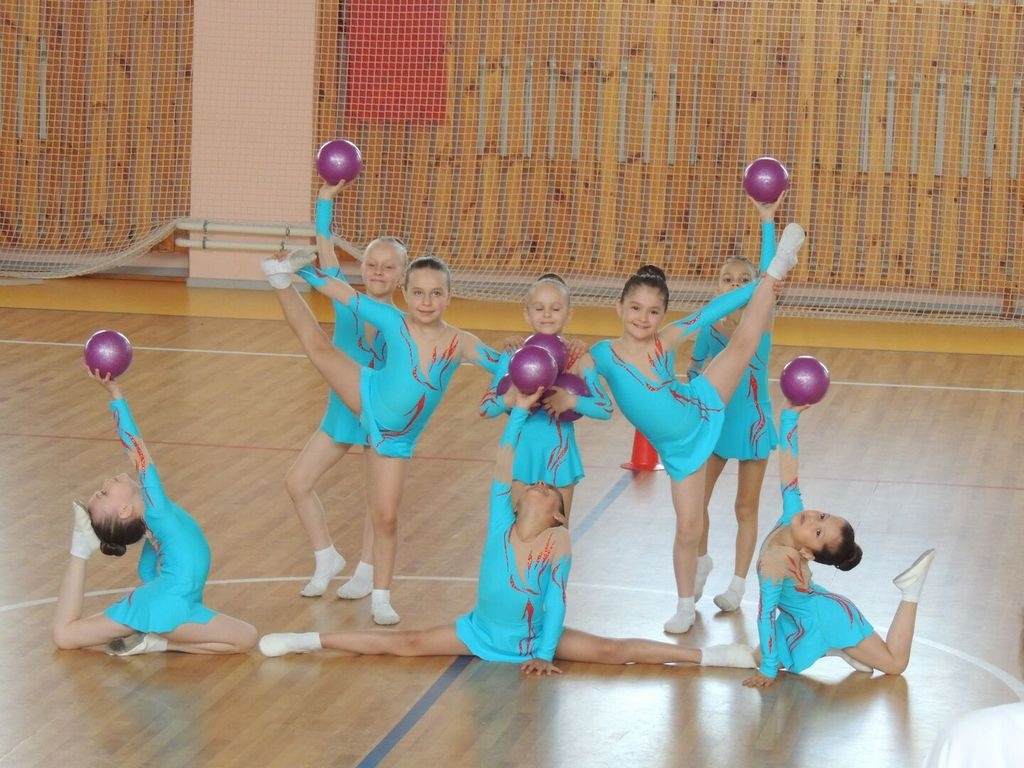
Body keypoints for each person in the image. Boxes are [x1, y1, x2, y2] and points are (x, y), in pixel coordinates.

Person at [259, 385, 757, 674]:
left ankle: (712, 658)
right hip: (480, 632)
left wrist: (542, 653)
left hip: (536, 637)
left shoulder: (558, 542)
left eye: (547, 489)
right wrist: (518, 412)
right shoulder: (503, 517)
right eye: (536, 484)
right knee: (404, 643)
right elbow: (504, 460)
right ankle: (307, 640)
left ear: (559, 514)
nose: (539, 483)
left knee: (612, 651)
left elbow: (556, 602)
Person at [554, 193, 804, 634]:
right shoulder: (602, 355)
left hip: (700, 403)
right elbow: (602, 408)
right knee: (688, 527)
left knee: (744, 343)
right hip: (679, 452)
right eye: (635, 308)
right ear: (619, 308)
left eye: (653, 311)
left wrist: (763, 283)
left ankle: (779, 265)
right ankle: (685, 605)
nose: (643, 318)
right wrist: (570, 394)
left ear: (662, 315)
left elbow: (714, 310)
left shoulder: (664, 340)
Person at [260, 244, 499, 625]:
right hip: (364, 395)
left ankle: (380, 597)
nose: (426, 302)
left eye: (436, 293)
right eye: (418, 293)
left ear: (449, 297)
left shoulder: (461, 341)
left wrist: (534, 364)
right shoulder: (394, 321)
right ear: (406, 293)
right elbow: (346, 295)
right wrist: (300, 271)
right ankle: (278, 280)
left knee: (385, 516)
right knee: (318, 348)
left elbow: (501, 365)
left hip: (395, 438)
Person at [51, 369, 257, 656]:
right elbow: (137, 451)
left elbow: (147, 571)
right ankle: (159, 640)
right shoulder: (156, 510)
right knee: (247, 638)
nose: (107, 482)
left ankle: (82, 548)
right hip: (170, 606)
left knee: (66, 636)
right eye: (104, 492)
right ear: (125, 510)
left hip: (160, 601)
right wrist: (116, 396)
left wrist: (158, 599)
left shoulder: (151, 527)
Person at [742, 403, 936, 688]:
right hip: (802, 615)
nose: (811, 518)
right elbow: (789, 471)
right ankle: (837, 648)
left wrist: (769, 670)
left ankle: (911, 590)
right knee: (758, 655)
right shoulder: (792, 518)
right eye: (822, 517)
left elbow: (766, 614)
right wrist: (790, 418)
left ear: (806, 553)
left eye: (818, 531)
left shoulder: (774, 563)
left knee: (895, 665)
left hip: (827, 617)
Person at [286, 181, 407, 599]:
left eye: (388, 267)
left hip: (378, 420)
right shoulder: (345, 300)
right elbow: (325, 247)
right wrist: (324, 200)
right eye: (371, 264)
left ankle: (366, 570)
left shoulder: (403, 325)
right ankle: (326, 557)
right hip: (340, 414)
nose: (377, 272)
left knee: (377, 501)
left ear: (401, 275)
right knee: (297, 482)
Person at [688, 203, 782, 612]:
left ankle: (738, 585)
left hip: (753, 422)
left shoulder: (762, 319)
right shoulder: (709, 325)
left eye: (745, 280)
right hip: (717, 423)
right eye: (728, 279)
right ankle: (701, 562)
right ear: (717, 286)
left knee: (745, 506)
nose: (736, 284)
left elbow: (770, 270)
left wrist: (767, 221)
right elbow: (694, 371)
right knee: (696, 500)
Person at [479, 273, 613, 524]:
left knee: (557, 534)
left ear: (568, 314)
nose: (547, 314)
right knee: (518, 532)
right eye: (539, 308)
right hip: (522, 457)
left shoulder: (579, 358)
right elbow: (486, 409)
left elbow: (605, 408)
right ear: (527, 314)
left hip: (560, 459)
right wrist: (508, 399)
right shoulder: (513, 356)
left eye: (556, 308)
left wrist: (571, 401)